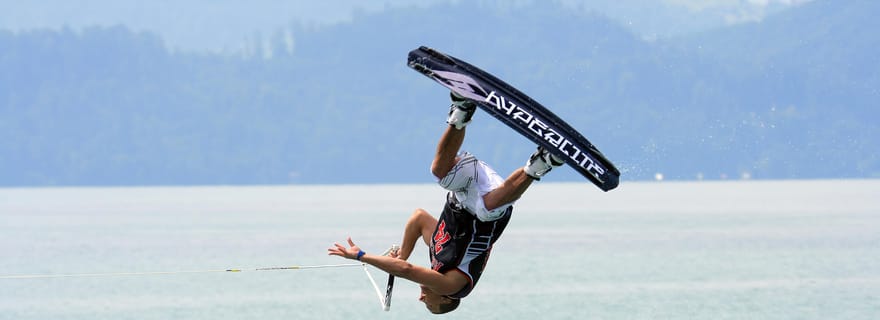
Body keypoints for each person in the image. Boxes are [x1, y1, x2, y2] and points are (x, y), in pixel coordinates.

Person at [328, 92, 563, 314]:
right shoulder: (453, 287)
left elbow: (418, 218)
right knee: (485, 209)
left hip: (467, 188)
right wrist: (361, 256)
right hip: (495, 204)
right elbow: (407, 272)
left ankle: (461, 111)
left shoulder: (438, 254)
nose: (421, 298)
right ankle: (543, 162)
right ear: (444, 299)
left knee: (439, 172)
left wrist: (403, 254)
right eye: (428, 304)